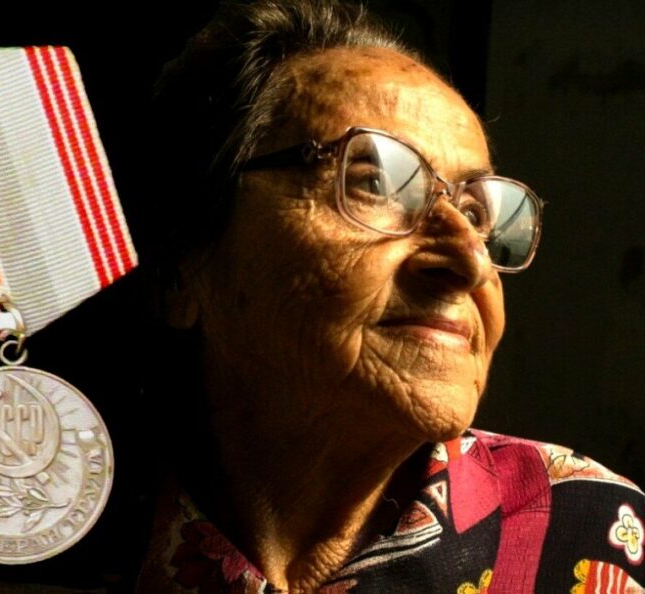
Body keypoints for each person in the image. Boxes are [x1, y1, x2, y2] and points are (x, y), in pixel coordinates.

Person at [133, 1, 645, 592]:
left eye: (478, 212)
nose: (470, 259)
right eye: (375, 181)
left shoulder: (587, 536)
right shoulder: (59, 517)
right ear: (184, 268)